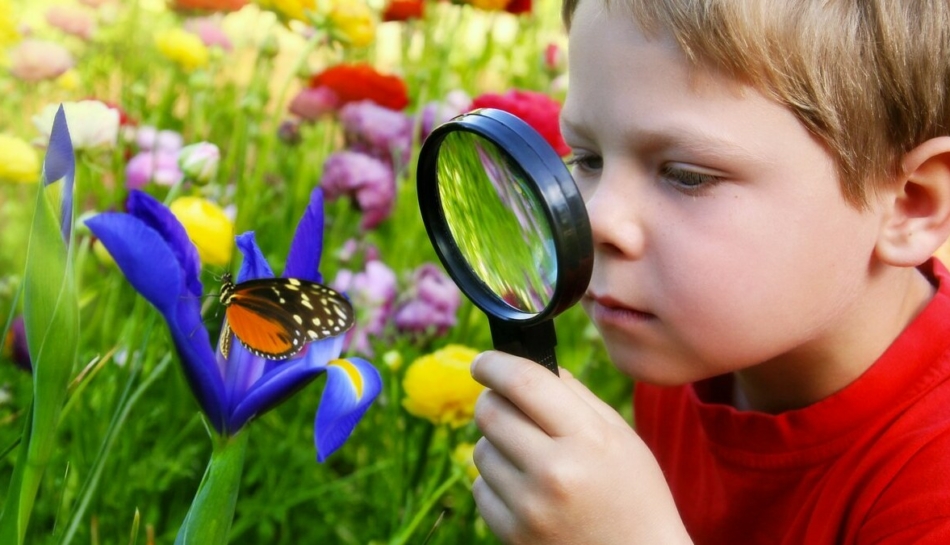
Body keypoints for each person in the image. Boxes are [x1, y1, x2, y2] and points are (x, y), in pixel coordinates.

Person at [469, 0, 950, 543]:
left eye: (686, 175)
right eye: (588, 159)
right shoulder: (687, 350)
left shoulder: (934, 492)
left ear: (911, 205)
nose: (596, 216)